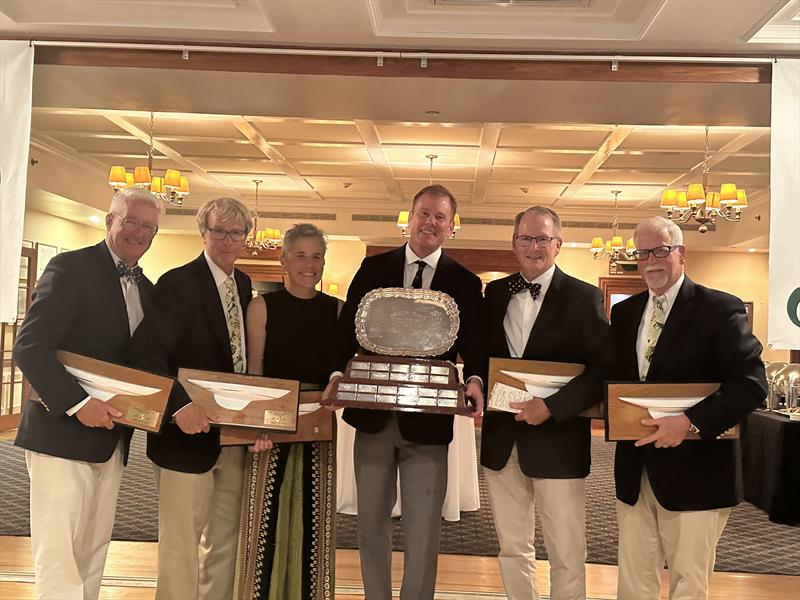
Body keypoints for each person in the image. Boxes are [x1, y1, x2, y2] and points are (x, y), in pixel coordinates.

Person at [323, 184, 484, 600]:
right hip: (373, 419)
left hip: (429, 425)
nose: (430, 222)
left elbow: (479, 346)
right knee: (370, 523)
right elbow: (344, 332)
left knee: (423, 529)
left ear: (451, 227)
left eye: (440, 217)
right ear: (409, 217)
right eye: (424, 213)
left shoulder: (464, 282)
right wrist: (334, 373)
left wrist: (475, 380)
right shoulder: (373, 268)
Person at [13, 187, 161, 599]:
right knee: (58, 548)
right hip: (60, 432)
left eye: (148, 226)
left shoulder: (147, 290)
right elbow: (30, 346)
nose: (138, 232)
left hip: (113, 436)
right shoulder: (70, 267)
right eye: (130, 220)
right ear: (109, 220)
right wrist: (78, 405)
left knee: (93, 547)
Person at [610, 216, 767, 600]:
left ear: (682, 254)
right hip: (635, 467)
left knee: (689, 584)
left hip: (699, 472)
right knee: (633, 583)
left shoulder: (719, 308)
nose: (650, 261)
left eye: (660, 251)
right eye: (642, 253)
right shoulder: (626, 312)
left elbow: (751, 384)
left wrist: (690, 422)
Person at [480, 206, 610, 600]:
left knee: (567, 551)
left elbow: (604, 369)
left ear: (558, 245)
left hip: (559, 441)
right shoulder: (496, 292)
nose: (533, 247)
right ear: (514, 243)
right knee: (512, 547)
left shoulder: (584, 297)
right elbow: (482, 352)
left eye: (542, 239)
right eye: (525, 238)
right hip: (502, 439)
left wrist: (552, 406)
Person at [130, 197, 253, 600]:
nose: (227, 240)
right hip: (183, 437)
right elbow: (147, 353)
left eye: (236, 233)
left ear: (246, 238)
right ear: (204, 232)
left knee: (226, 540)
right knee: (181, 542)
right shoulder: (177, 283)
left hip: (233, 436)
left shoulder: (245, 285)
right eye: (219, 231)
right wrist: (179, 406)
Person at [236, 223, 340, 598]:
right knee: (267, 514)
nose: (309, 264)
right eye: (301, 255)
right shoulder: (261, 307)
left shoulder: (337, 309)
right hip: (271, 419)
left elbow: (339, 367)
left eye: (317, 257)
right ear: (283, 259)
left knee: (315, 517)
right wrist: (258, 425)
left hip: (318, 423)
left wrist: (336, 382)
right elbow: (255, 371)